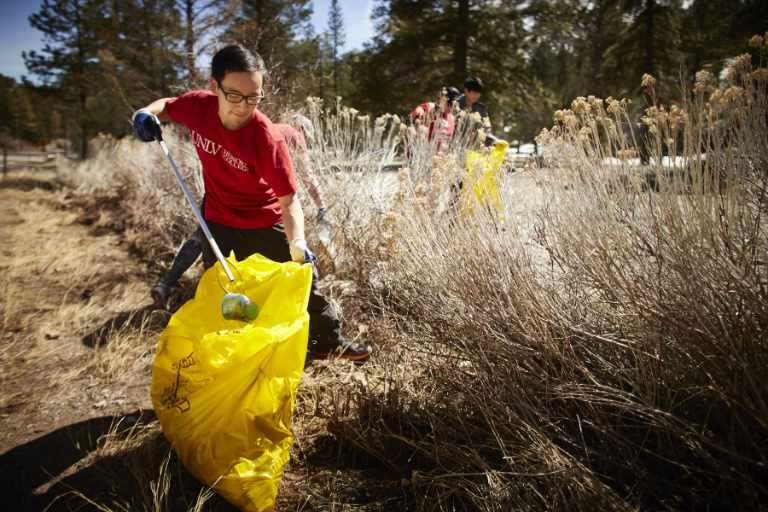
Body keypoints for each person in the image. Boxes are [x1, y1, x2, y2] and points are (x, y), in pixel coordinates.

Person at [133, 43, 371, 362]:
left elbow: (290, 201)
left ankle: (326, 340)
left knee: (301, 280)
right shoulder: (197, 107)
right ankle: (229, 354)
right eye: (234, 95)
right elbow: (166, 105)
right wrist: (146, 113)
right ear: (214, 86)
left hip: (264, 219)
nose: (244, 106)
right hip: (217, 217)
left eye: (254, 97)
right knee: (222, 289)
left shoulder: (266, 137)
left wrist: (297, 242)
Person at [150, 114, 328, 308]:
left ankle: (167, 284)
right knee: (292, 254)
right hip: (251, 203)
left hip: (221, 192)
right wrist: (321, 206)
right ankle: (302, 310)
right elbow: (308, 177)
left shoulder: (264, 127)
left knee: (203, 236)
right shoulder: (294, 134)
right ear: (302, 129)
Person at [408, 86, 461, 152]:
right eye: (450, 103)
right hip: (424, 150)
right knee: (418, 130)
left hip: (441, 154)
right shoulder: (429, 107)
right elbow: (413, 118)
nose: (451, 107)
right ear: (443, 99)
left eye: (454, 105)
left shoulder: (452, 118)